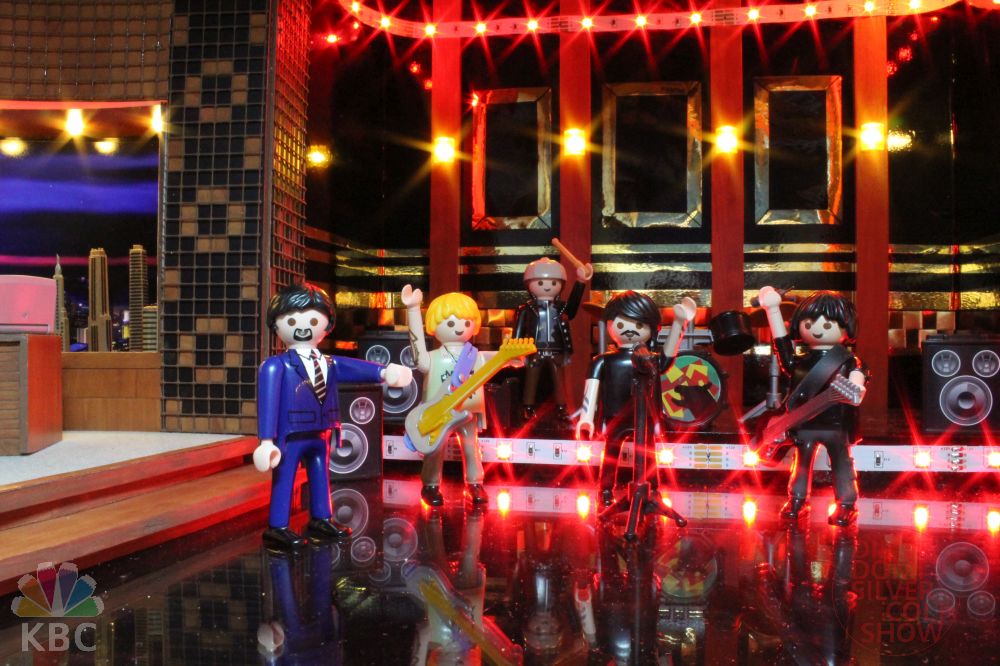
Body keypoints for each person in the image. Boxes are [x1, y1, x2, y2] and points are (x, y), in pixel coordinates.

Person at [254, 283, 412, 550]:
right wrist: (266, 441)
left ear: (327, 324)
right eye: (291, 320)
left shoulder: (329, 363)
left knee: (321, 474)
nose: (302, 327)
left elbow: (356, 368)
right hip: (290, 432)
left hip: (323, 428)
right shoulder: (275, 366)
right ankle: (278, 526)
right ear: (276, 325)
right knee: (284, 475)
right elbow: (268, 403)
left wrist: (384, 372)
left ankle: (321, 517)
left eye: (313, 320)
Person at [757, 287, 869, 527]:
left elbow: (858, 377)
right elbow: (782, 347)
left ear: (846, 327)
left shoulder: (848, 360)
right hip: (805, 423)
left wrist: (856, 387)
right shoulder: (799, 362)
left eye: (827, 325)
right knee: (801, 463)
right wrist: (773, 310)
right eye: (808, 324)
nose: (817, 329)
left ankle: (846, 504)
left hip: (836, 424)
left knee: (841, 462)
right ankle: (797, 500)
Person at [576, 291, 697, 506]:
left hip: (645, 415)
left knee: (648, 455)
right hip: (614, 416)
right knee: (611, 453)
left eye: (639, 325)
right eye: (621, 324)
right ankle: (605, 490)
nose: (630, 330)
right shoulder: (603, 361)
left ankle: (652, 489)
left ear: (652, 328)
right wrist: (586, 417)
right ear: (610, 325)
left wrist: (679, 324)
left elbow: (668, 358)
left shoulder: (650, 360)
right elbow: (591, 388)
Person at [401, 285, 489, 508]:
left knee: (471, 446)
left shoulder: (475, 356)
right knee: (434, 449)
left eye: (466, 323)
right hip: (438, 411)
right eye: (451, 323)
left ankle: (475, 483)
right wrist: (413, 310)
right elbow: (418, 352)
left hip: (467, 412)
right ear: (434, 326)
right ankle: (430, 485)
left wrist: (514, 358)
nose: (459, 328)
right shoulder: (432, 357)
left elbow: (498, 360)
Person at [513, 257, 593, 423]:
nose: (547, 286)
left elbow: (572, 308)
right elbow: (518, 332)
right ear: (529, 285)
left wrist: (580, 281)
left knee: (559, 382)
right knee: (531, 380)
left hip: (557, 350)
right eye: (540, 283)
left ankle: (561, 409)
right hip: (533, 351)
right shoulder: (526, 309)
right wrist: (514, 352)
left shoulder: (561, 308)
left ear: (561, 285)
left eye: (554, 283)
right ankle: (528, 408)